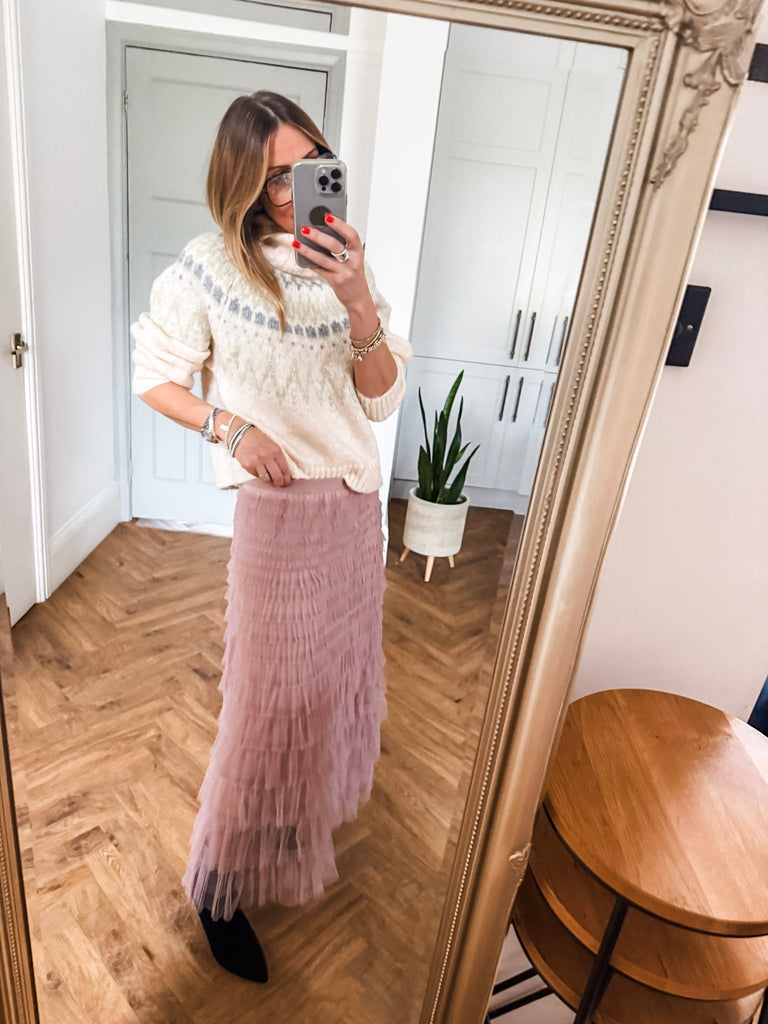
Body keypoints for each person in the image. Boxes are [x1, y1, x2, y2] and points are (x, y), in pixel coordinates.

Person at [131, 91, 412, 983]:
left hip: (352, 511)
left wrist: (356, 295)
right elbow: (154, 378)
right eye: (276, 176)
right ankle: (217, 887)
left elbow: (381, 399)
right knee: (261, 706)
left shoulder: (346, 262)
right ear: (245, 182)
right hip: (277, 516)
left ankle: (287, 819)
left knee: (325, 685)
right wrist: (232, 429)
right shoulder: (210, 268)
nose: (294, 191)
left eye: (309, 166)